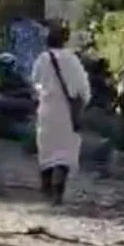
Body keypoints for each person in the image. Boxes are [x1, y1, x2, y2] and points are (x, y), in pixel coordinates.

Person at [31, 22, 91, 205]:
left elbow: (34, 83)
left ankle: (46, 186)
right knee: (65, 151)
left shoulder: (42, 59)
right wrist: (82, 103)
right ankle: (59, 191)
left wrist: (40, 95)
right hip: (66, 112)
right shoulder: (73, 60)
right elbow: (83, 88)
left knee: (46, 148)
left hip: (47, 109)